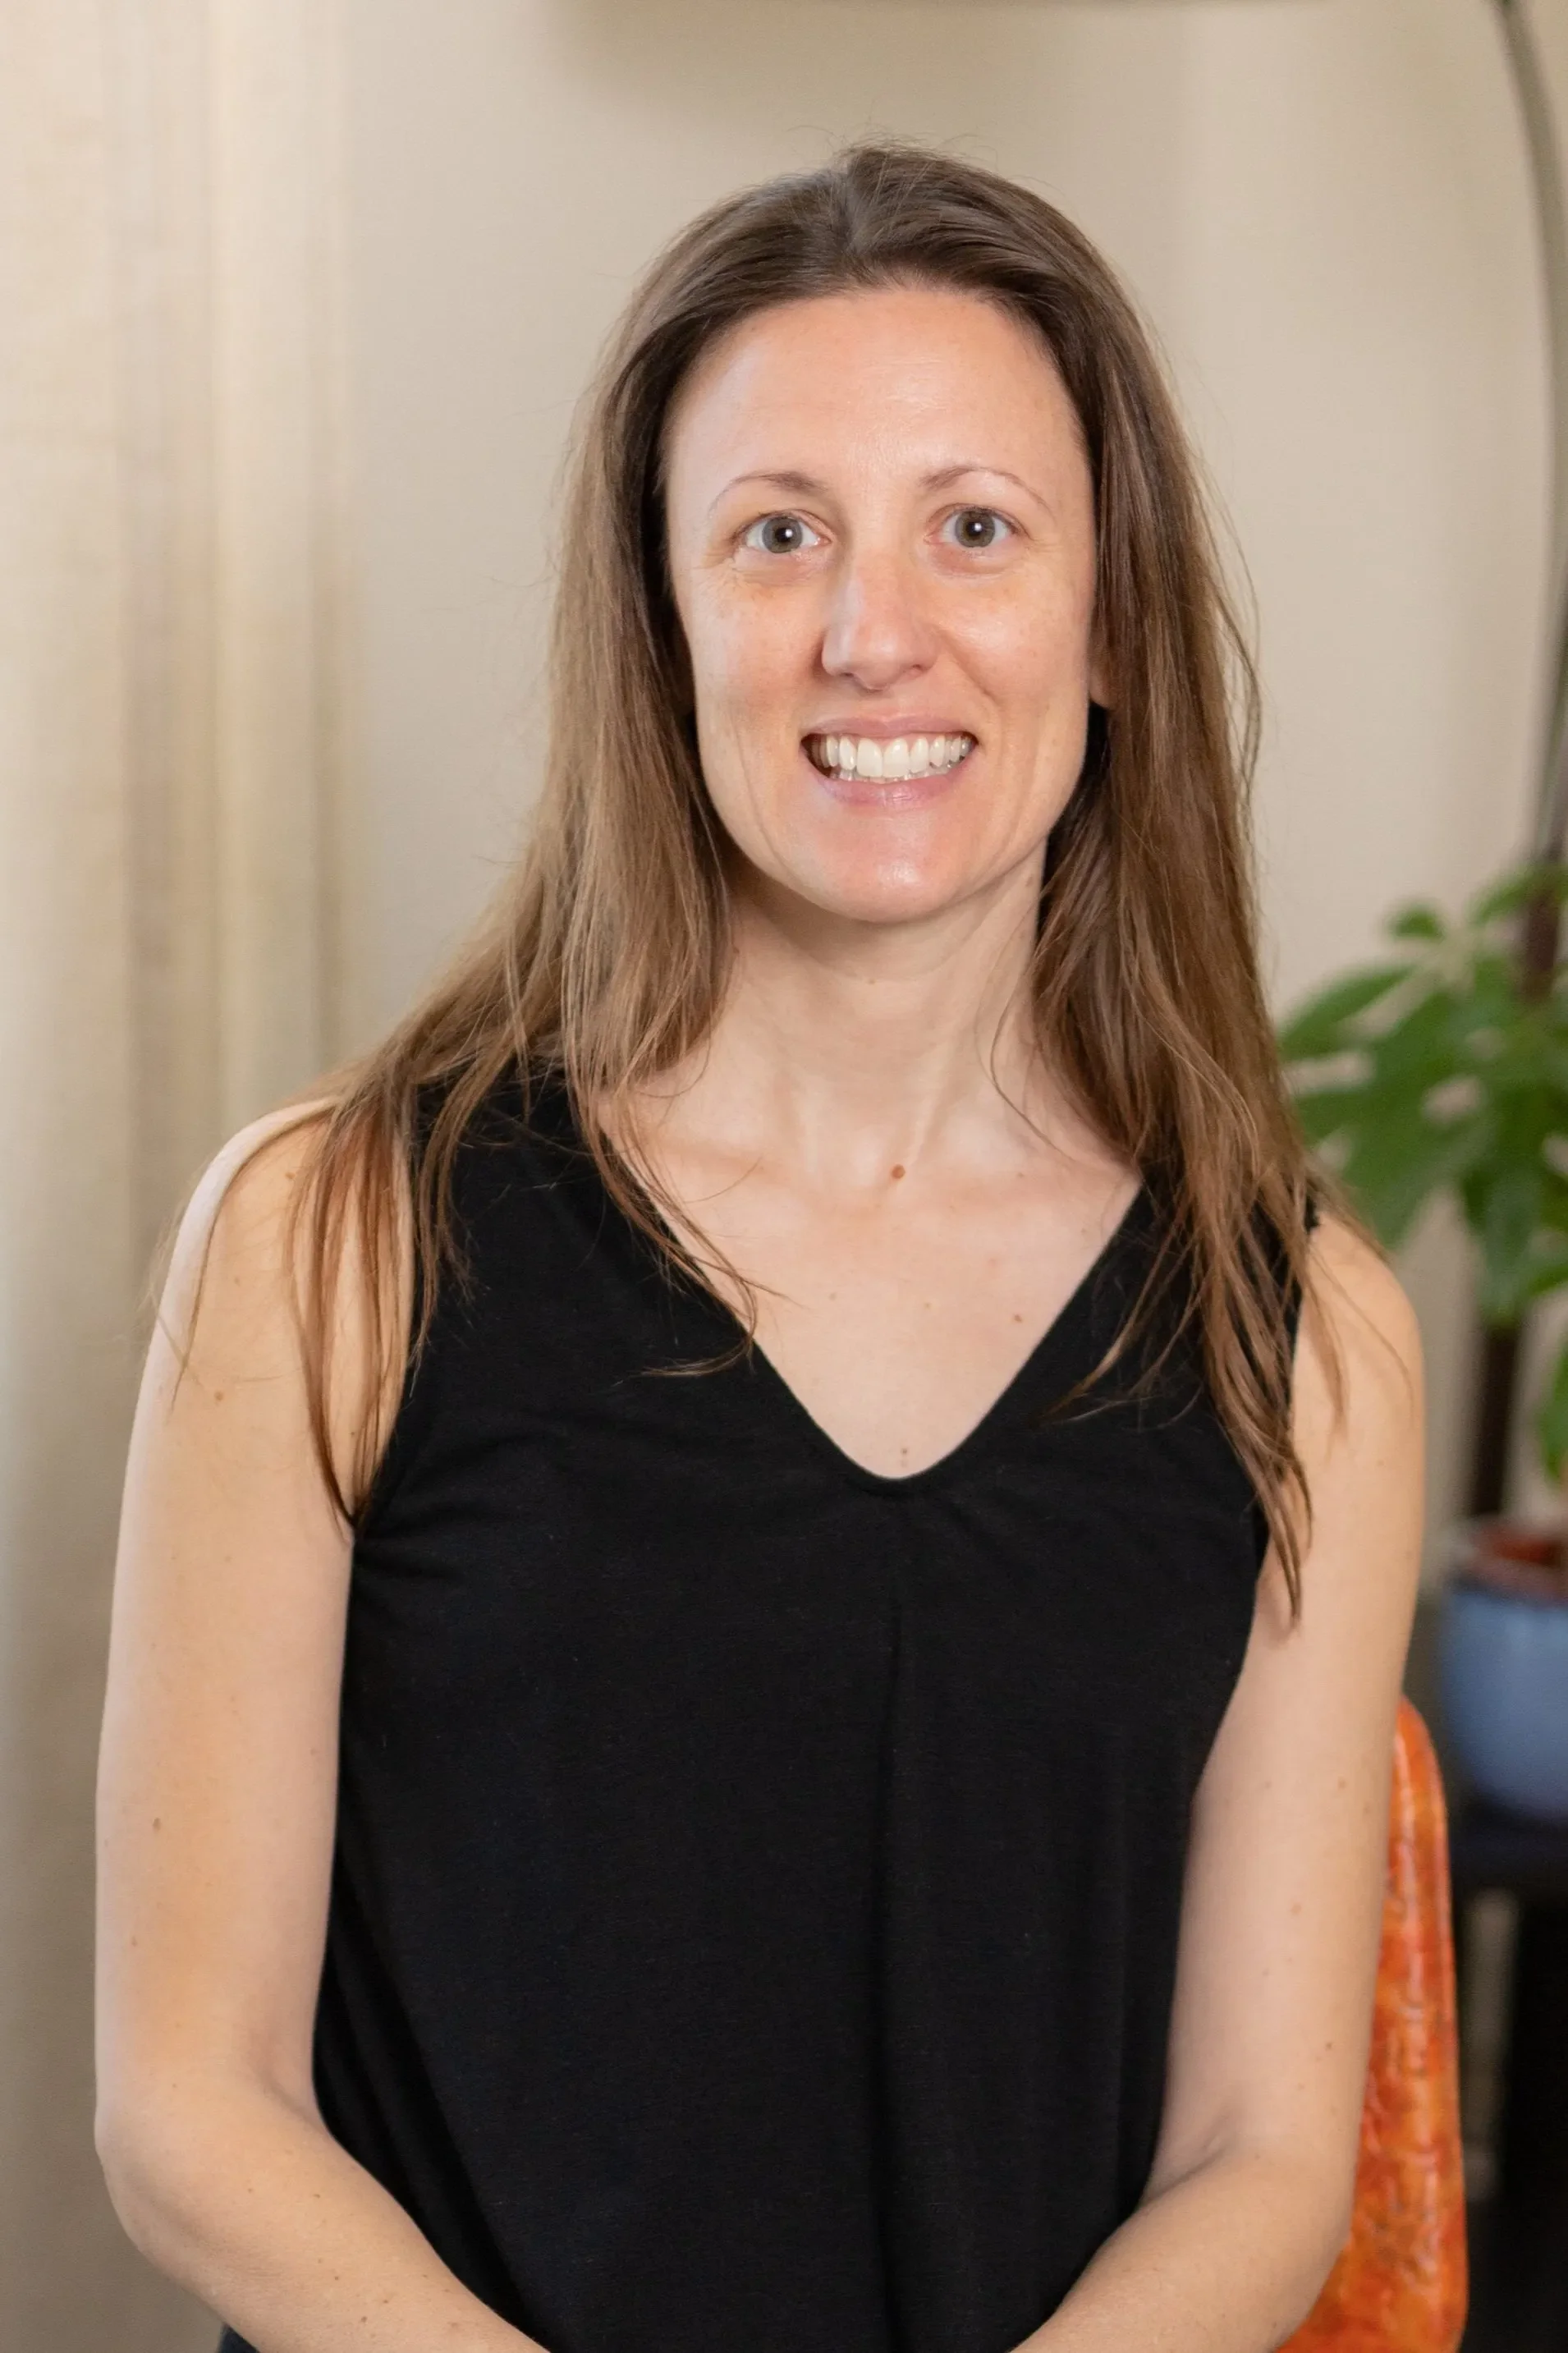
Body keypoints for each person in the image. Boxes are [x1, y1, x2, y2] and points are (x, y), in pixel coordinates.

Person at [94, 140, 1424, 2353]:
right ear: (665, 615)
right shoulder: (327, 1238)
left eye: (973, 529)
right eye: (776, 531)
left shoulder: (1303, 1335)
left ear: (1104, 626)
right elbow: (189, 2112)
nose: (865, 629)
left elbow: (1259, 2163)